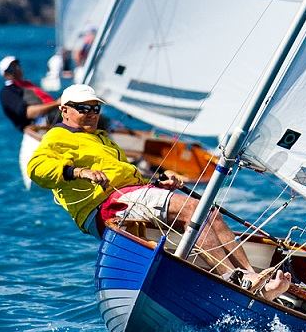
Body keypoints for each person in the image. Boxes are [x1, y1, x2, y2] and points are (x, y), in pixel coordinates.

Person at [26, 83, 290, 297]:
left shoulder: (102, 138)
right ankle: (229, 277)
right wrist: (80, 172)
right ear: (64, 110)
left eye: (95, 107)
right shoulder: (57, 137)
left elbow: (127, 176)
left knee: (209, 214)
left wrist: (157, 182)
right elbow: (36, 169)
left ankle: (249, 277)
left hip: (130, 195)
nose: (92, 112)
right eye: (84, 107)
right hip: (107, 205)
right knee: (194, 211)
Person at [0, 55, 59, 131]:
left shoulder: (26, 85)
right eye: (12, 68)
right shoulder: (8, 92)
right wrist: (56, 103)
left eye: (17, 66)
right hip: (39, 124)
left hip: (50, 116)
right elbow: (28, 113)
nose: (17, 69)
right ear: (5, 74)